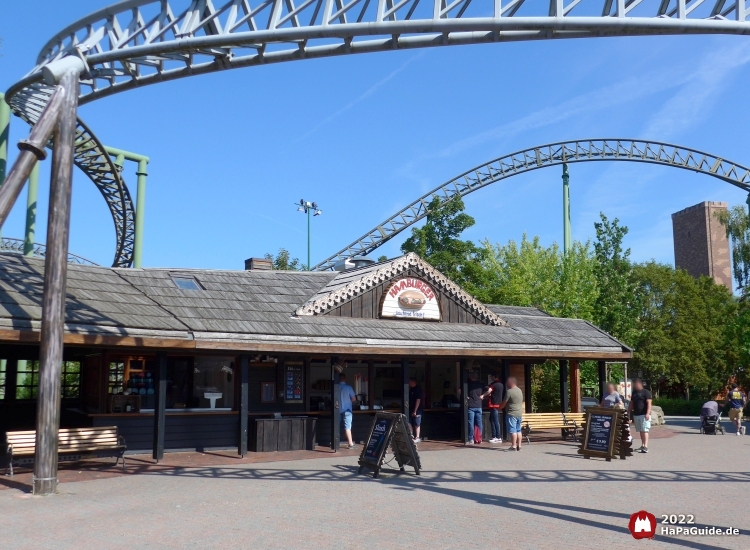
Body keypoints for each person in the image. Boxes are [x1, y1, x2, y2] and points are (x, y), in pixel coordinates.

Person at [498, 377, 524, 451]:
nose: (506, 384)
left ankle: (513, 446)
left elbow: (504, 403)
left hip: (511, 413)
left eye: (507, 382)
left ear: (511, 383)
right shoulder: (520, 390)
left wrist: (499, 408)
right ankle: (519, 446)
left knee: (513, 430)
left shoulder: (509, 392)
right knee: (519, 430)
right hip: (519, 413)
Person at [627, 378, 652, 453]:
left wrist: (647, 413)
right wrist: (628, 411)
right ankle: (642, 445)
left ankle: (646, 446)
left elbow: (649, 403)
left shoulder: (646, 392)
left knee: (645, 430)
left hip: (644, 414)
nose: (635, 385)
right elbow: (631, 403)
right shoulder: (634, 393)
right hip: (636, 414)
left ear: (640, 384)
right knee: (641, 430)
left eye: (637, 384)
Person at [466, 372, 491, 445]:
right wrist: (483, 396)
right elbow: (489, 390)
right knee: (479, 423)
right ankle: (479, 438)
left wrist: (466, 396)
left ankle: (471, 439)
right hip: (479, 405)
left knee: (471, 423)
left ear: (471, 376)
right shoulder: (481, 384)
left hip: (471, 406)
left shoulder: (467, 383)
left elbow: (459, 390)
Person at [339, 372, 357, 449]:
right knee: (347, 427)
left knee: (336, 426)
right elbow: (354, 399)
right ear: (345, 379)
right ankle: (350, 443)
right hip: (347, 410)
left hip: (337, 410)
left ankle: (334, 442)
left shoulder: (335, 387)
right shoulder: (348, 387)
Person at [487, 372, 504, 443]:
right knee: (492, 420)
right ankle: (495, 436)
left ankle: (497, 436)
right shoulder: (501, 385)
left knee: (495, 421)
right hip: (498, 404)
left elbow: (489, 391)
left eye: (492, 377)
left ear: (494, 377)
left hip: (493, 404)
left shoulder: (493, 385)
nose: (491, 378)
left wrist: (483, 395)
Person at [408, 377, 424, 442]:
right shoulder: (411, 389)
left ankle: (417, 437)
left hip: (417, 410)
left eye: (409, 382)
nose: (408, 383)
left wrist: (415, 410)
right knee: (409, 422)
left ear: (413, 382)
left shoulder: (418, 389)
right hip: (410, 408)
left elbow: (418, 400)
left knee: (417, 423)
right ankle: (411, 436)